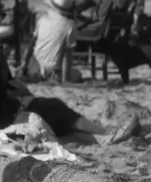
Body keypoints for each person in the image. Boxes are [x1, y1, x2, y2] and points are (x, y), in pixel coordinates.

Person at [1, 40, 142, 144]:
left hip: (10, 110)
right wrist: (18, 94)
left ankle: (104, 138)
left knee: (55, 119)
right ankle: (105, 132)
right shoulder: (68, 24)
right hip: (8, 116)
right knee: (53, 107)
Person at [23, 0, 79, 82]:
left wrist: (25, 64)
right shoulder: (70, 25)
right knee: (77, 74)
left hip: (35, 66)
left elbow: (32, 43)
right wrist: (66, 78)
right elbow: (67, 54)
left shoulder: (41, 19)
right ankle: (58, 76)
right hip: (54, 69)